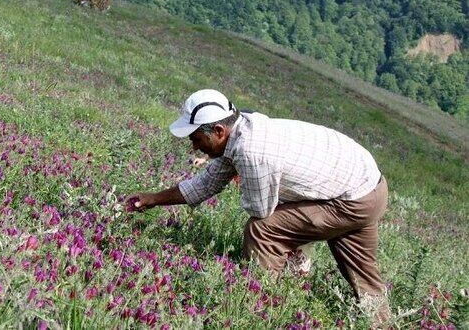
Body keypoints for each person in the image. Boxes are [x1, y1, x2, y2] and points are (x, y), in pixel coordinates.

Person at [127, 89, 390, 324]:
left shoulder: (253, 153)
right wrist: (152, 199)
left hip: (352, 200)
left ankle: (263, 308)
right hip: (369, 185)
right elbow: (206, 184)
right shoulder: (242, 129)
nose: (194, 147)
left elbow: (262, 211)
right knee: (364, 275)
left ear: (219, 131)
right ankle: (382, 323)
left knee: (262, 229)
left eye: (196, 139)